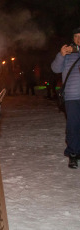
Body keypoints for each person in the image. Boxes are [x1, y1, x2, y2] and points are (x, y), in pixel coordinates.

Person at [51, 27, 80, 169]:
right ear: (73, 38)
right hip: (72, 96)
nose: (79, 39)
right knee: (73, 126)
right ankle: (73, 154)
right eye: (76, 36)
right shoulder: (68, 54)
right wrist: (61, 55)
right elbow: (55, 69)